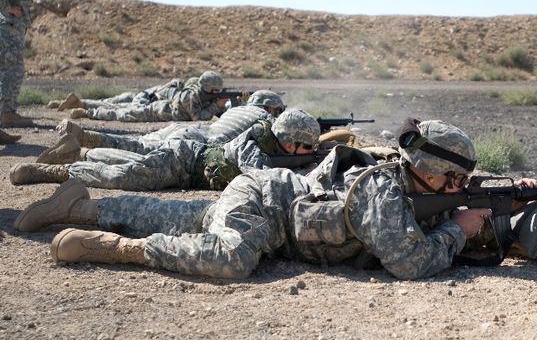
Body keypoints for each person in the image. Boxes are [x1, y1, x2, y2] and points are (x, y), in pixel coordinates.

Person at [16, 118, 537, 281]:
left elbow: (452, 204)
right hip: (267, 205)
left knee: (187, 212)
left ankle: (82, 203)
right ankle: (109, 245)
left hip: (274, 203)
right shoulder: (383, 186)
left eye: (465, 184)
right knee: (228, 258)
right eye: (453, 183)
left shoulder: (417, 184)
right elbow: (410, 263)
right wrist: (460, 228)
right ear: (428, 172)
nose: (460, 192)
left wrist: (508, 199)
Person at [10, 108, 321, 191]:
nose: (307, 151)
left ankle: (80, 149)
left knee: (134, 153)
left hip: (188, 167)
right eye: (306, 146)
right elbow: (263, 178)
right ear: (289, 139)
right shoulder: (255, 141)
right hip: (183, 161)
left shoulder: (274, 142)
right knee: (122, 177)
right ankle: (54, 171)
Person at [37, 90, 286, 163]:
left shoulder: (237, 109)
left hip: (184, 128)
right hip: (202, 140)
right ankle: (83, 154)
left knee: (138, 143)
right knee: (139, 155)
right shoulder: (265, 119)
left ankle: (85, 135)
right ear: (270, 108)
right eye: (278, 110)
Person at [62, 71, 229, 122]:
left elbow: (218, 114)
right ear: (208, 88)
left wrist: (232, 103)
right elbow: (198, 118)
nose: (217, 94)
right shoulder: (189, 96)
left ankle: (83, 104)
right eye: (216, 91)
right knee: (121, 112)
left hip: (159, 107)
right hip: (157, 111)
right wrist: (217, 105)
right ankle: (88, 112)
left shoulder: (205, 94)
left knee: (122, 107)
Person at [0, 0, 34, 128]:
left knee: (6, 69)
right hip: (10, 25)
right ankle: (7, 113)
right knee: (13, 69)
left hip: (11, 24)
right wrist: (7, 8)